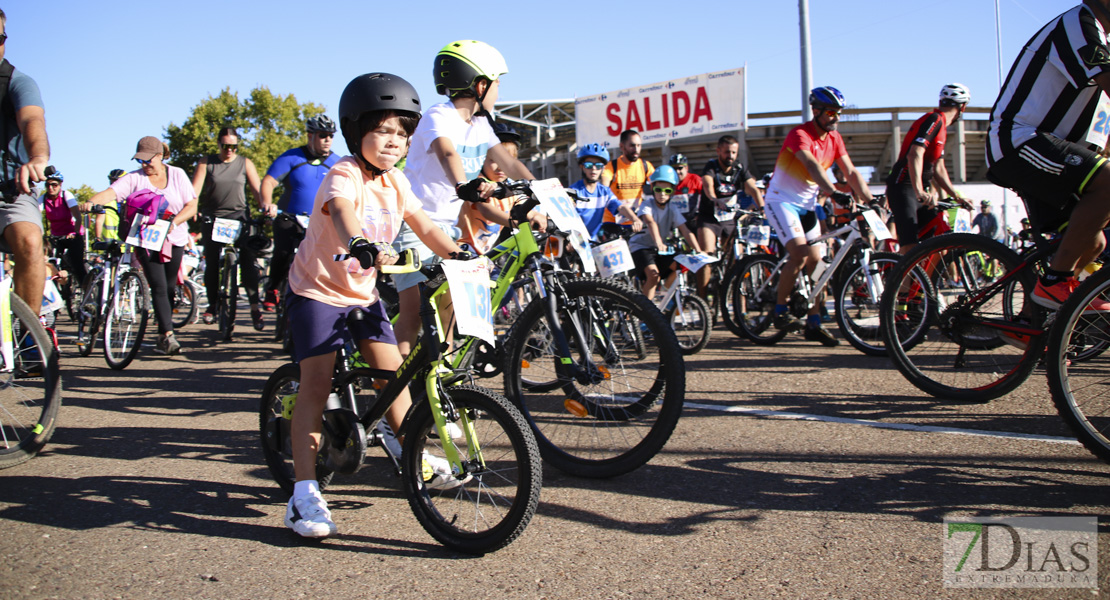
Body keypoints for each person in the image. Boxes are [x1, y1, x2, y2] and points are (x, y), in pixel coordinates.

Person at [283, 72, 468, 539]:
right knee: (315, 385)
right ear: (356, 130)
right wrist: (361, 242)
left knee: (394, 378)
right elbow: (344, 212)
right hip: (317, 293)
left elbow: (426, 227)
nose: (394, 142)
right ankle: (303, 495)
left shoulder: (397, 182)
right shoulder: (344, 172)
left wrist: (461, 255)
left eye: (403, 133)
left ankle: (414, 460)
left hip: (362, 296)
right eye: (384, 130)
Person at [395, 39, 535, 356]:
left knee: (449, 304)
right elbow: (447, 152)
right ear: (480, 84)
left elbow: (510, 162)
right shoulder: (439, 116)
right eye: (498, 83)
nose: (500, 90)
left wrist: (544, 189)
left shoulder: (481, 124)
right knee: (414, 311)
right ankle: (392, 385)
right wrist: (462, 185)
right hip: (414, 223)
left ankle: (440, 373)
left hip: (447, 228)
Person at [986, 0, 1110, 312]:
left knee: (1094, 241)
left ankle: (1031, 324)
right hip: (1019, 141)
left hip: (1057, 149)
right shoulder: (1081, 24)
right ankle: (1055, 282)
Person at [763, 86, 874, 346]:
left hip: (807, 206)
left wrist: (870, 199)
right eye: (832, 112)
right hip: (782, 201)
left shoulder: (835, 139)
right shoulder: (799, 134)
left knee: (820, 265)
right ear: (817, 111)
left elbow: (851, 172)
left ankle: (814, 322)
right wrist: (834, 192)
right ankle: (780, 311)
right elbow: (812, 165)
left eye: (839, 113)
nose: (836, 117)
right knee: (800, 255)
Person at [81, 136, 198, 355]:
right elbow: (112, 193)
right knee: (159, 286)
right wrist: (92, 201)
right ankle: (169, 336)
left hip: (175, 237)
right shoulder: (135, 178)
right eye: (140, 161)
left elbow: (191, 205)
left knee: (171, 287)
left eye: (148, 160)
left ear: (160, 156)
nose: (144, 165)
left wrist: (175, 222)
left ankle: (163, 333)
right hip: (147, 239)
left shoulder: (177, 174)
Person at [259, 115, 341, 312]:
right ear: (310, 136)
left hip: (318, 222)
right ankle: (272, 288)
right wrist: (267, 203)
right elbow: (269, 182)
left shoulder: (337, 162)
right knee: (284, 252)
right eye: (323, 135)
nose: (327, 139)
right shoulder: (292, 157)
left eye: (331, 135)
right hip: (289, 216)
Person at [192, 127, 266, 330]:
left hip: (239, 216)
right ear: (218, 145)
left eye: (234, 146)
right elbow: (195, 191)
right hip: (213, 217)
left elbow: (258, 192)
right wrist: (194, 209)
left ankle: (254, 307)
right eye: (225, 146)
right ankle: (212, 305)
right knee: (212, 262)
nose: (230, 150)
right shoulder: (207, 162)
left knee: (248, 260)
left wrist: (265, 210)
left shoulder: (245, 163)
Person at [0, 9, 50, 311]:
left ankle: (30, 340)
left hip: (9, 191)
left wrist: (38, 157)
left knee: (31, 242)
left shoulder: (17, 82)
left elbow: (32, 119)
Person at [886, 84, 973, 254]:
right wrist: (919, 191)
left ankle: (927, 281)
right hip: (903, 187)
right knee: (909, 246)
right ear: (962, 107)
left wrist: (956, 196)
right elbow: (915, 153)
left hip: (921, 190)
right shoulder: (934, 119)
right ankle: (899, 280)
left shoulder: (942, 127)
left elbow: (938, 167)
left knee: (938, 244)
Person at [456, 124, 546, 254]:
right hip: (460, 249)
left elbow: (524, 207)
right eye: (494, 160)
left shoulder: (510, 185)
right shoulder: (476, 182)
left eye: (506, 161)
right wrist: (521, 223)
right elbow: (487, 212)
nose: (500, 167)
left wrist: (539, 217)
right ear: (482, 159)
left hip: (484, 254)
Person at [694, 135, 763, 298]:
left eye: (733, 152)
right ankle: (702, 300)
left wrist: (762, 207)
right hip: (709, 218)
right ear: (719, 151)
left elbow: (753, 188)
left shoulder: (739, 168)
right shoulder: (711, 167)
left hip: (729, 219)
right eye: (727, 152)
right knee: (707, 255)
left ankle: (742, 309)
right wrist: (714, 199)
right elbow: (707, 184)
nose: (730, 156)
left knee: (738, 261)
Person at [628, 166, 702, 300]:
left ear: (672, 192)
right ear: (652, 189)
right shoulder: (647, 204)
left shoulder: (672, 208)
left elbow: (685, 230)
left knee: (680, 265)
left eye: (667, 191)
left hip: (658, 249)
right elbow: (651, 223)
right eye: (658, 190)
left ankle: (664, 295)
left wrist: (698, 250)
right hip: (641, 247)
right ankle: (646, 314)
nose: (662, 194)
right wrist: (659, 243)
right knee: (653, 275)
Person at [569, 143, 642, 240]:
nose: (594, 169)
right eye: (589, 165)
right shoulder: (573, 191)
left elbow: (621, 207)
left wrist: (635, 219)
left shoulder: (604, 192)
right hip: (575, 242)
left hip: (594, 242)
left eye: (598, 165)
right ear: (582, 167)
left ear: (603, 169)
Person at [37, 168, 86, 287]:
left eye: (54, 185)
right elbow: (35, 214)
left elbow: (77, 217)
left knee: (76, 263)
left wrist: (74, 233)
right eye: (48, 185)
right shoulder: (43, 198)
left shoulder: (66, 195)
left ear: (60, 185)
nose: (50, 188)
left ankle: (87, 293)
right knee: (50, 261)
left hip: (72, 233)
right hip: (56, 235)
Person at [601, 129, 654, 210]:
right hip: (612, 219)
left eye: (639, 145)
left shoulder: (646, 166)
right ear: (622, 146)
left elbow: (657, 185)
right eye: (632, 145)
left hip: (636, 219)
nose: (636, 149)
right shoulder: (611, 166)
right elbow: (604, 187)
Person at [92, 169, 126, 241]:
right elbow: (99, 221)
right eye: (112, 180)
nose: (113, 183)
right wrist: (97, 238)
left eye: (116, 180)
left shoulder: (131, 199)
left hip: (128, 245)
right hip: (110, 243)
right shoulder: (105, 199)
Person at [669, 153, 702, 221]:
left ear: (686, 168)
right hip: (675, 220)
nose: (677, 171)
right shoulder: (668, 182)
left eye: (680, 168)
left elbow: (705, 198)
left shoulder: (695, 179)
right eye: (674, 169)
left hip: (693, 219)